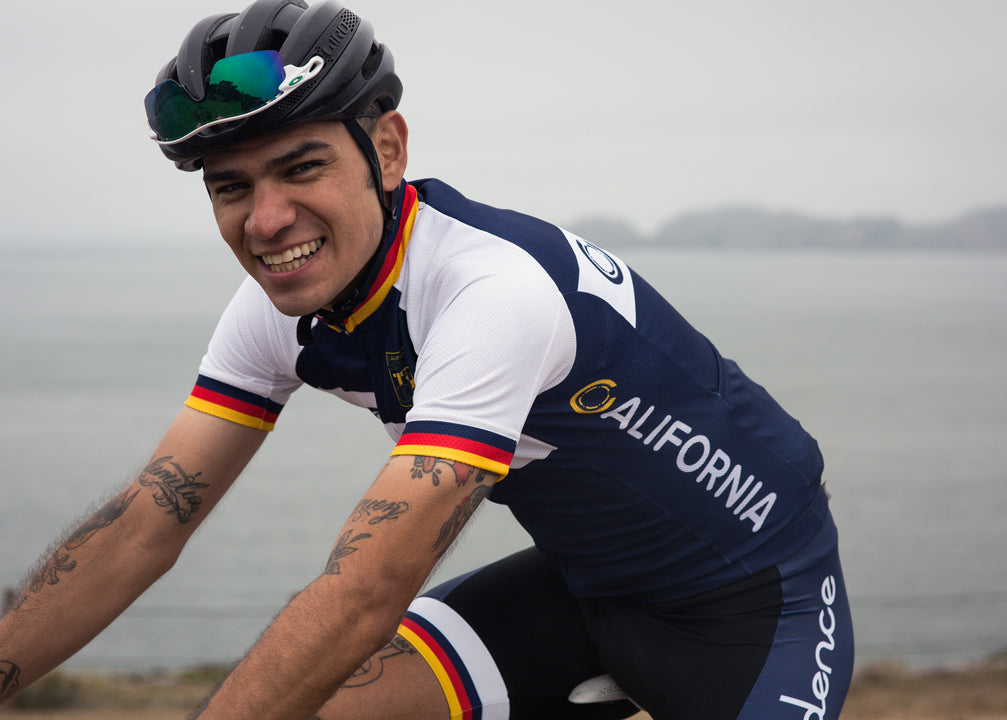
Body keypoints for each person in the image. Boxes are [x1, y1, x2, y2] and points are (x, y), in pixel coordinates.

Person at [0, 1, 854, 718]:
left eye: (302, 168)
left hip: (757, 603)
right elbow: (146, 525)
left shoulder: (492, 294)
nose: (267, 220)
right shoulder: (282, 303)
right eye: (231, 187)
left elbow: (367, 591)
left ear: (388, 150)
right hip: (580, 590)